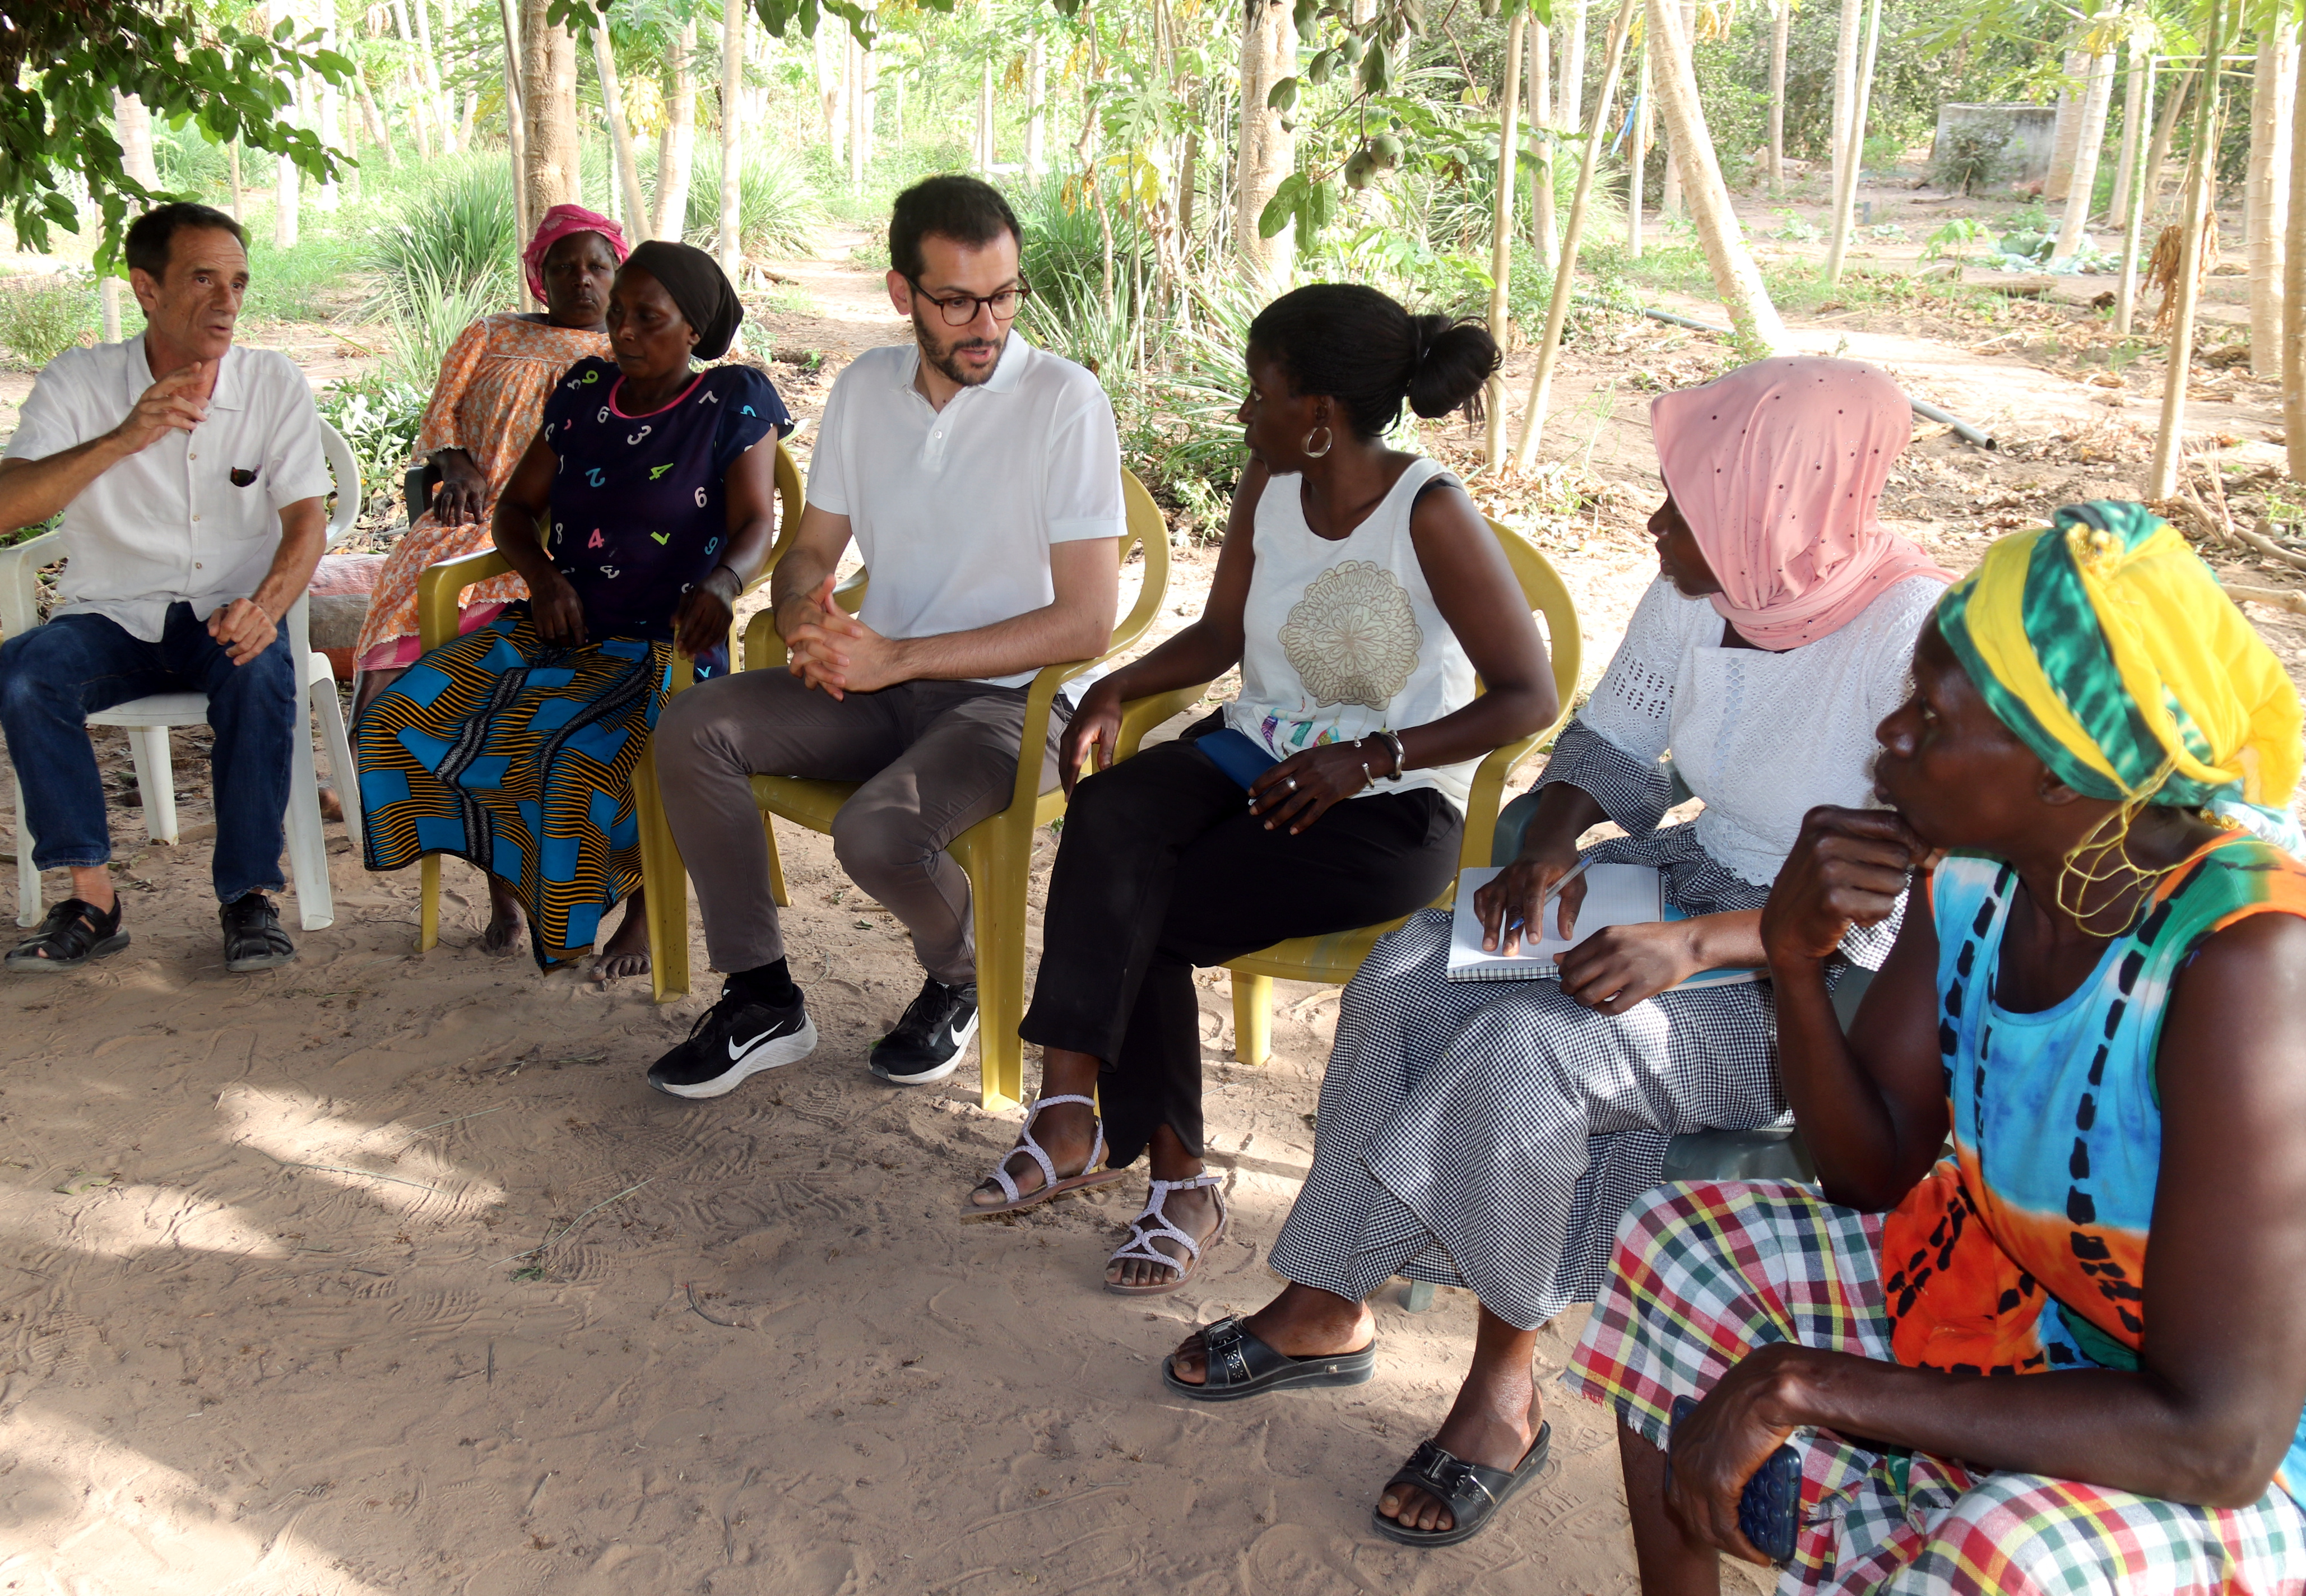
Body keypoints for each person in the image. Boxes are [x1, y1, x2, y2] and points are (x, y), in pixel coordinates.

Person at [1156, 359, 1951, 1548]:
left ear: (1773, 509)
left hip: (1811, 978)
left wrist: (1695, 944)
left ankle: (1505, 1385)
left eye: (1683, 506)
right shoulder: (1706, 580)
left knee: (1535, 1050)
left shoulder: (1913, 639)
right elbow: (1615, 741)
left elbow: (1891, 913)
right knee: (1410, 971)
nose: (1656, 524)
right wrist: (1559, 838)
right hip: (1682, 881)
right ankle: (1330, 1296)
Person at [1574, 502, 2306, 1594]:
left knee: (2010, 1548)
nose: (1892, 736)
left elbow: (2221, 1438)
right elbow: (1866, 1171)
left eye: (1931, 715)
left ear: (2063, 771)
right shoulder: (1973, 873)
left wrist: (1809, 1383)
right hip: (2023, 1301)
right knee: (1679, 1252)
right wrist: (1793, 957)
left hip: (2241, 1449)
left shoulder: (2241, 967)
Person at [959, 285, 1561, 1298]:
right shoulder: (1270, 482)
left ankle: (1173, 1176)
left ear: (1320, 417)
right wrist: (1115, 685)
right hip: (1260, 749)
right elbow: (1223, 635)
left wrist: (1369, 759)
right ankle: (1073, 1109)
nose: (1246, 414)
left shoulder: (1431, 512)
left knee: (1149, 907)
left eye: (1261, 393)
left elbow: (1527, 696)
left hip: (1395, 801)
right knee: (1112, 816)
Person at [643, 175, 1122, 1098]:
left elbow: (1087, 619)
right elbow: (812, 548)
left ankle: (962, 977)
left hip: (1012, 704)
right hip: (873, 684)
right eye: (956, 301)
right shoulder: (865, 388)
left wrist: (896, 657)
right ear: (903, 294)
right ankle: (761, 996)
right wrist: (799, 619)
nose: (987, 324)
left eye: (1005, 295)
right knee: (692, 726)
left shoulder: (1064, 402)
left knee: (877, 835)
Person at [355, 242, 788, 975]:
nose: (624, 333)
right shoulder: (586, 390)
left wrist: (722, 586)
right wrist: (544, 578)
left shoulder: (731, 399)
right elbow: (516, 511)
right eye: (619, 316)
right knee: (398, 719)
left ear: (693, 329)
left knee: (570, 760)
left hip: (670, 644)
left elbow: (756, 524)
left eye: (648, 320)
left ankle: (647, 913)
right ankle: (508, 889)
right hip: (562, 627)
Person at [0, 202, 333, 975]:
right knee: (28, 671)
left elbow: (308, 520)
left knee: (260, 670)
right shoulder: (81, 381)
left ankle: (247, 899)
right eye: (202, 279)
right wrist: (123, 437)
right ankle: (92, 901)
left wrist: (266, 608)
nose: (227, 300)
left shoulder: (271, 383)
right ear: (146, 288)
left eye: (238, 282)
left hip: (227, 617)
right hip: (113, 618)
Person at [347, 204, 625, 960]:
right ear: (539, 273)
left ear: (620, 273)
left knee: (531, 703)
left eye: (598, 265)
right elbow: (443, 415)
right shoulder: (492, 334)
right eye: (565, 266)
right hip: (473, 517)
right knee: (412, 646)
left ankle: (562, 890)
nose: (582, 279)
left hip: (564, 539)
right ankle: (500, 898)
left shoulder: (631, 348)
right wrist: (451, 458)